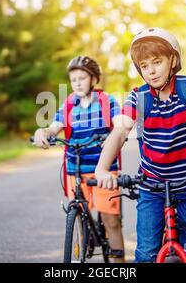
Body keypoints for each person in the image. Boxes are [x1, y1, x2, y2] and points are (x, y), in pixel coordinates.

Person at [95, 27, 186, 263]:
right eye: (144, 66)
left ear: (172, 60)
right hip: (152, 184)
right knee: (145, 254)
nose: (151, 71)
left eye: (157, 62)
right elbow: (119, 132)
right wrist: (102, 169)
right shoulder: (139, 97)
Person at [33, 55, 125, 262]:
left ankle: (119, 263)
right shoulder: (69, 104)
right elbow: (54, 128)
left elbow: (119, 125)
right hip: (75, 168)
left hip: (104, 170)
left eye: (82, 78)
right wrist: (43, 133)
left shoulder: (106, 101)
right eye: (73, 79)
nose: (77, 83)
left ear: (93, 79)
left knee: (111, 221)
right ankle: (82, 252)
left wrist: (116, 133)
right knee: (80, 215)